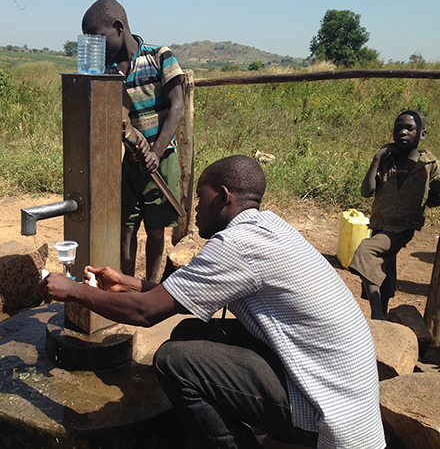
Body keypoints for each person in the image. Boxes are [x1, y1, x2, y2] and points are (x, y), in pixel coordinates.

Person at [40, 155, 386, 449]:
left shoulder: (236, 246)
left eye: (198, 200)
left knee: (174, 361)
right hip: (340, 390)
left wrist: (74, 291)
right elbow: (184, 293)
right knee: (194, 331)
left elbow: (145, 313)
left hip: (333, 415)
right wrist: (128, 282)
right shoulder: (265, 228)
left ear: (222, 197)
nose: (194, 211)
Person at [82, 0, 185, 282]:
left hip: (162, 160)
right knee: (126, 228)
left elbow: (177, 107)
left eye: (98, 39)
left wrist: (157, 150)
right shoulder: (109, 73)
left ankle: (150, 288)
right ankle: (126, 286)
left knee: (155, 229)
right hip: (130, 161)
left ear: (118, 28)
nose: (96, 48)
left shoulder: (159, 56)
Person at [349, 110, 440, 319]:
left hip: (402, 227)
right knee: (384, 268)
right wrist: (377, 158)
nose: (402, 132)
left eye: (410, 128)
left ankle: (377, 314)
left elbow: (436, 194)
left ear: (422, 135)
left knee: (366, 251)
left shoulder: (428, 163)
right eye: (398, 128)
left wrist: (421, 204)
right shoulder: (386, 161)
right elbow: (367, 191)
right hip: (380, 223)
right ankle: (383, 311)